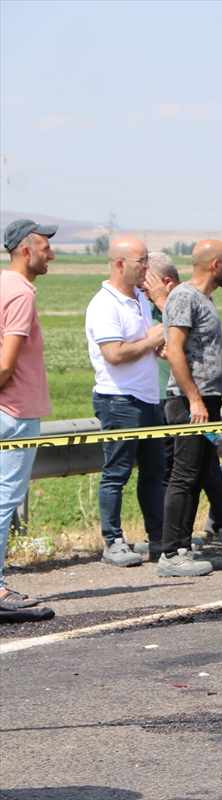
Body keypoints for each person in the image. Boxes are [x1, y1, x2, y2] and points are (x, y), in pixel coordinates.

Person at [85, 236, 168, 568]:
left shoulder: (138, 298)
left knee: (154, 472)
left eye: (147, 259)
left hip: (148, 397)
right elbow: (115, 354)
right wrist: (151, 341)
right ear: (120, 263)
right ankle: (113, 540)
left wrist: (156, 344)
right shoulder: (104, 305)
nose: (146, 266)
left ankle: (159, 538)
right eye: (141, 260)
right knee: (116, 473)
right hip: (119, 399)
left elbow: (146, 342)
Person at [158, 240, 222, 578]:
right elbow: (174, 349)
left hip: (207, 400)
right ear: (215, 264)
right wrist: (193, 399)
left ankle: (185, 546)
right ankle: (171, 552)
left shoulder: (204, 299)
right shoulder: (184, 296)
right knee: (184, 475)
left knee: (201, 473)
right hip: (191, 402)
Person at [0, 219, 57, 609]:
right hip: (16, 410)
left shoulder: (2, 285)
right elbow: (7, 365)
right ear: (26, 250)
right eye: (45, 247)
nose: (50, 253)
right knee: (5, 500)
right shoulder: (21, 293)